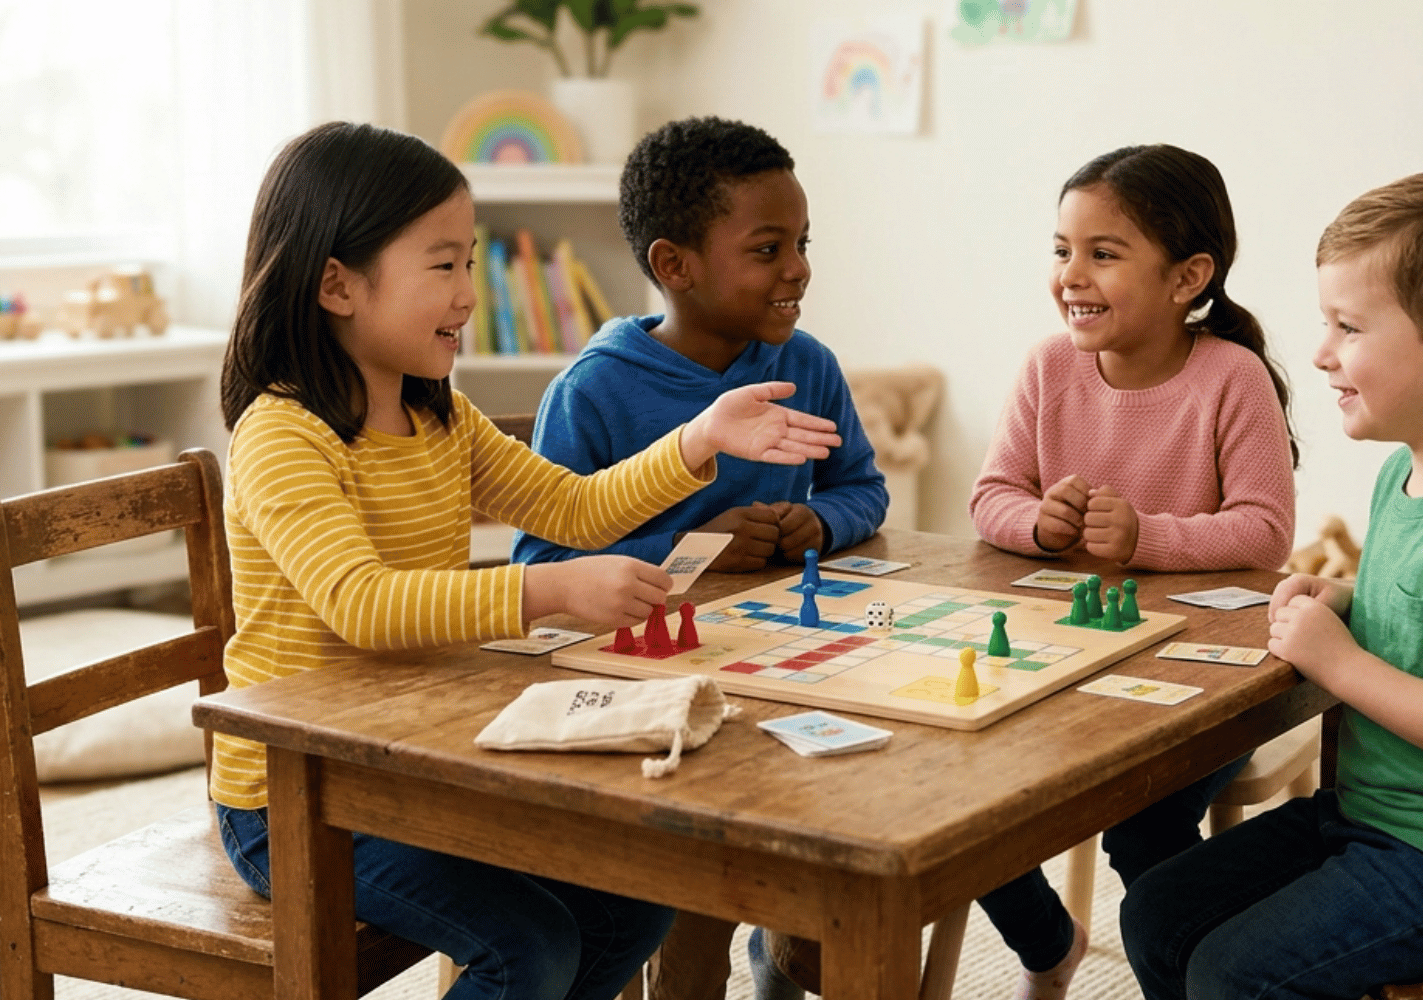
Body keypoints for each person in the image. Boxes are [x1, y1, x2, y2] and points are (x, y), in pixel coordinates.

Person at [208, 121, 843, 1000]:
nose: (469, 293)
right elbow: (360, 603)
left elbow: (574, 506)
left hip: (406, 760)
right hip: (295, 798)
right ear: (337, 284)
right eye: (443, 265)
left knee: (635, 900)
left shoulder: (442, 419)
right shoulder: (284, 433)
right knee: (529, 947)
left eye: (471, 262)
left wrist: (699, 436)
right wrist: (549, 590)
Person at [1121, 165, 1423, 1000]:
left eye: (1348, 325)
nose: (1320, 352)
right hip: (1378, 818)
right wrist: (1347, 601)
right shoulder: (1403, 478)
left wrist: (1341, 663)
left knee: (1234, 974)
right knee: (1159, 912)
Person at [514, 116, 889, 1000]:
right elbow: (543, 554)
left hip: (790, 663)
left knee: (859, 826)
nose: (797, 266)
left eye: (802, 242)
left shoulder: (807, 364)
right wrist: (697, 556)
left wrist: (818, 524)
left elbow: (863, 487)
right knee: (696, 887)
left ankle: (794, 948)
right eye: (767, 248)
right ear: (675, 264)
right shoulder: (595, 388)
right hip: (655, 684)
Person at [968, 144, 1298, 1000]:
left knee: (1144, 826)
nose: (1072, 274)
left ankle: (1204, 981)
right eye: (1061, 249)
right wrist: (1038, 525)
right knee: (960, 802)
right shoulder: (1049, 367)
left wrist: (1146, 534)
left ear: (1190, 277)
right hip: (1066, 658)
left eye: (1103, 253)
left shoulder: (1233, 377)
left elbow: (1266, 532)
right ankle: (1048, 943)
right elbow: (991, 495)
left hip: (1200, 674)